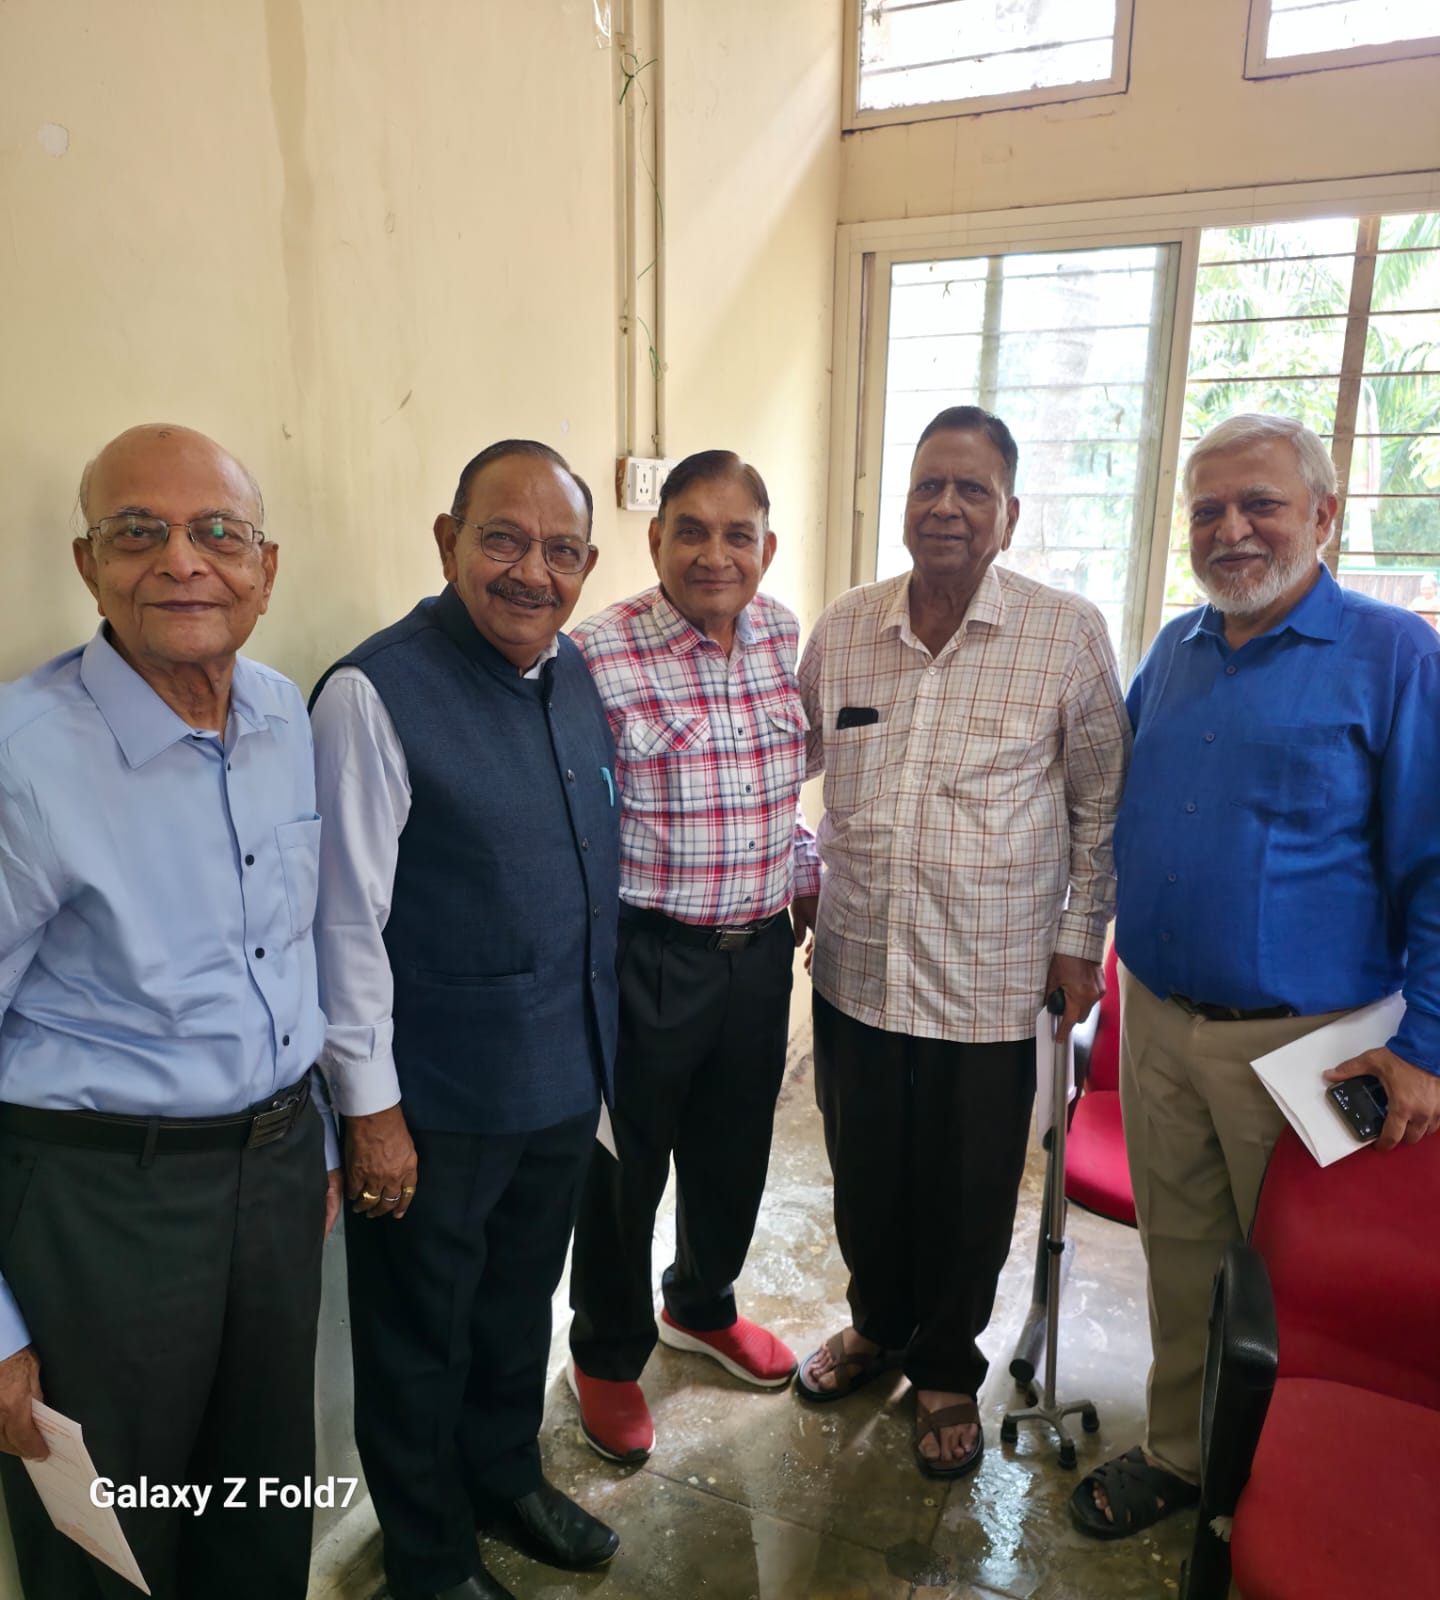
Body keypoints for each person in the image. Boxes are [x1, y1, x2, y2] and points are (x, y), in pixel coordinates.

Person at [1074, 413, 1440, 1540]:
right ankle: (1182, 1455)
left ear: (1323, 515)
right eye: (1208, 511)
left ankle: (1278, 1479)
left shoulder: (1395, 656)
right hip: (1159, 1020)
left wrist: (1427, 1046)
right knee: (1182, 1258)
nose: (1231, 530)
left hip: (1316, 1045)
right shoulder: (1176, 651)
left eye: (1261, 504)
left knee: (1297, 1279)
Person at [0, 423, 339, 1600]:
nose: (183, 561)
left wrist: (314, 1141)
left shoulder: (284, 717)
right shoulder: (23, 759)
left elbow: (286, 953)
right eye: (139, 531)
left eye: (218, 533)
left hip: (277, 1181)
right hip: (103, 1206)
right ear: (89, 564)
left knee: (260, 1502)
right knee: (111, 1548)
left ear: (265, 568)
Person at [310, 440, 621, 1600]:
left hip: (559, 1082)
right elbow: (341, 924)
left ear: (587, 566)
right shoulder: (371, 694)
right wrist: (372, 1115)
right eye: (503, 539)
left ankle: (504, 1477)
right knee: (419, 1340)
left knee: (514, 1311)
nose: (532, 571)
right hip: (435, 1104)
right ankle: (429, 1556)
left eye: (561, 550)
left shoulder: (570, 670)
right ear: (448, 542)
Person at [797, 405, 1129, 1480]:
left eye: (972, 489)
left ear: (1009, 513)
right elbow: (782, 769)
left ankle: (945, 1362)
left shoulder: (1065, 633)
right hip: (858, 966)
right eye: (928, 485)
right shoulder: (845, 628)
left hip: (991, 978)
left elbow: (1101, 805)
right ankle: (878, 1324)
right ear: (904, 504)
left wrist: (1080, 943)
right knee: (865, 1174)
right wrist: (797, 877)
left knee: (970, 1184)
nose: (946, 506)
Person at [565, 450, 819, 1462]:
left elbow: (774, 792)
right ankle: (604, 1353)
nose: (717, 555)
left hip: (759, 953)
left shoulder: (781, 634)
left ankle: (701, 1305)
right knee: (623, 1171)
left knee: (734, 1150)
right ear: (655, 538)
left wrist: (802, 869)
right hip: (648, 954)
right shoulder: (597, 653)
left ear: (767, 545)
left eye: (738, 534)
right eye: (692, 531)